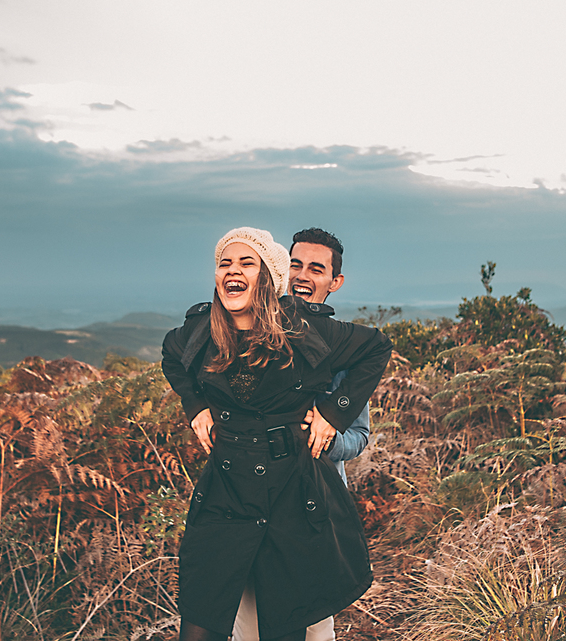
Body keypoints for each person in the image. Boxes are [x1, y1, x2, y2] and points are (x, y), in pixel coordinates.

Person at [161, 227, 393, 641]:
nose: (303, 275)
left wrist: (329, 417)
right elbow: (172, 355)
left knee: (300, 624)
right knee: (218, 619)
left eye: (246, 262)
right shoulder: (206, 330)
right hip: (228, 494)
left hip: (301, 497)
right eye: (224, 263)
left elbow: (375, 354)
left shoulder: (315, 331)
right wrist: (195, 406)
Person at [232, 228, 371, 641]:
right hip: (251, 505)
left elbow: (359, 436)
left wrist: (323, 433)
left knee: (314, 627)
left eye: (316, 268)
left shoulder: (344, 348)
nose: (303, 275)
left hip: (316, 509)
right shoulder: (248, 332)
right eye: (295, 264)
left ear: (335, 282)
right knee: (248, 625)